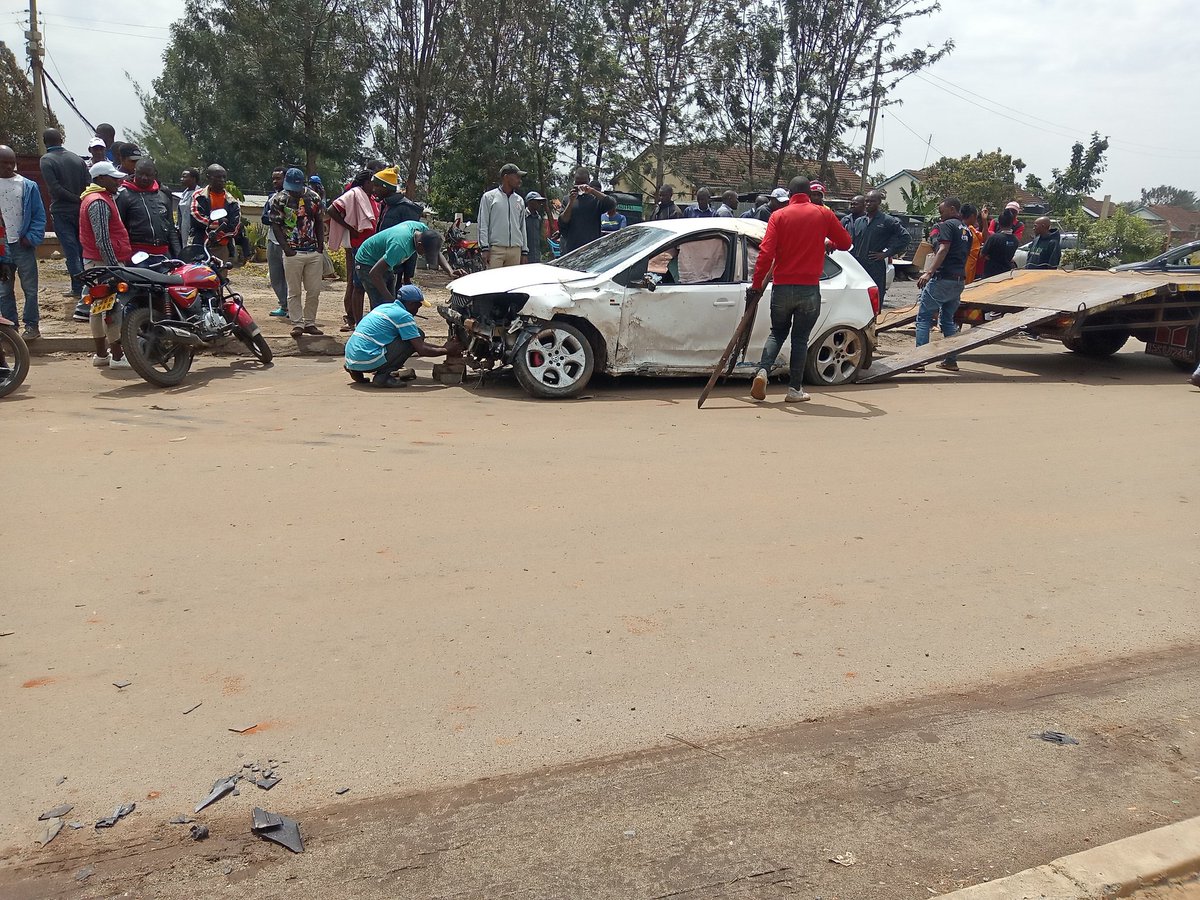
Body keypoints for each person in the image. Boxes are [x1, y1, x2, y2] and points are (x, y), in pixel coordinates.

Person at [747, 177, 852, 403]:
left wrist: (757, 285)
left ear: (790, 193)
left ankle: (763, 371)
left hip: (782, 286)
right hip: (809, 288)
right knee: (800, 340)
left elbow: (765, 254)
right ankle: (794, 390)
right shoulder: (823, 214)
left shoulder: (778, 216)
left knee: (777, 332)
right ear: (808, 193)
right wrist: (828, 243)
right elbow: (845, 243)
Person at [343, 284, 463, 388]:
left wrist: (442, 347)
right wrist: (447, 350)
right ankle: (383, 377)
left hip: (351, 359)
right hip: (367, 359)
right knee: (416, 336)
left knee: (410, 336)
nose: (417, 310)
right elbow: (421, 348)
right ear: (411, 304)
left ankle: (356, 371)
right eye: (418, 306)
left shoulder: (384, 307)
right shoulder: (403, 316)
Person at [79, 161, 133, 368]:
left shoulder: (95, 198)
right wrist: (114, 267)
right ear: (100, 179)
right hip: (103, 263)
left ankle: (101, 355)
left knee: (97, 307)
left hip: (96, 262)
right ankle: (117, 356)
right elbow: (102, 239)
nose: (118, 181)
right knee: (111, 308)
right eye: (113, 178)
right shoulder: (98, 202)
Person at [914, 197, 972, 373]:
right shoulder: (967, 230)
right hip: (958, 280)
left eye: (942, 211)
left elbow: (943, 249)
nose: (940, 215)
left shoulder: (947, 226)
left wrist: (929, 272)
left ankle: (918, 361)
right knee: (947, 320)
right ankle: (951, 360)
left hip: (943, 279)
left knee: (923, 318)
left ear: (952, 209)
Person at [268, 167, 326, 337]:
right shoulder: (279, 199)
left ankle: (310, 323)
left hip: (312, 251)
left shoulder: (314, 198)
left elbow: (319, 221)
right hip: (293, 251)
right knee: (294, 291)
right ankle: (297, 323)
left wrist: (320, 247)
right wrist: (286, 248)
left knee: (314, 290)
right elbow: (276, 225)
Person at [354, 219, 459, 311]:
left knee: (390, 302)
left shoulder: (423, 231)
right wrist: (391, 301)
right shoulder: (400, 247)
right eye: (425, 253)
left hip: (385, 261)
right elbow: (374, 274)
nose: (424, 255)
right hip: (367, 261)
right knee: (382, 304)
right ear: (419, 245)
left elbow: (435, 251)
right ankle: (365, 330)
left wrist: (450, 271)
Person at [327, 168, 385, 330]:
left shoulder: (370, 197)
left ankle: (366, 321)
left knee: (368, 282)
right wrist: (350, 228)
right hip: (359, 244)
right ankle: (356, 322)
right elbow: (332, 209)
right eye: (373, 184)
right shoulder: (354, 193)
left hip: (371, 245)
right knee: (357, 284)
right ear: (366, 182)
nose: (374, 187)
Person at [39, 127, 90, 306]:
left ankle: (79, 289)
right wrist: (81, 199)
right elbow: (88, 183)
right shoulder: (77, 159)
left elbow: (54, 189)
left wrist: (74, 199)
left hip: (62, 211)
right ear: (61, 139)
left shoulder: (46, 160)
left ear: (45, 142)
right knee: (83, 249)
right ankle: (87, 287)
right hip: (82, 210)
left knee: (71, 252)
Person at [0, 145, 46, 339]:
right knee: (3, 291)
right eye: (4, 163)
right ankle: (11, 329)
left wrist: (31, 238)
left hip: (22, 245)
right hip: (2, 247)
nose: (9, 167)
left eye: (12, 162)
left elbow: (39, 216)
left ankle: (32, 326)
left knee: (29, 288)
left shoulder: (28, 186)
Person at [849, 190, 909, 306]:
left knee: (874, 301)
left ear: (879, 202)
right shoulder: (859, 221)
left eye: (872, 201)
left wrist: (887, 253)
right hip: (858, 266)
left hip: (875, 267)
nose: (868, 204)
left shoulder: (887, 221)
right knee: (857, 300)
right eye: (866, 201)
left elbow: (905, 237)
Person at [116, 158, 181, 259]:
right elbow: (119, 229)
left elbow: (171, 230)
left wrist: (179, 255)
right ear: (135, 172)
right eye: (141, 174)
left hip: (163, 254)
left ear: (154, 175)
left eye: (148, 175)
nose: (144, 178)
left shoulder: (163, 196)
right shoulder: (124, 196)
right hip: (137, 256)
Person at [478, 163, 528, 268]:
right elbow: (483, 223)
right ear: (506, 177)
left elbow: (522, 226)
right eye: (517, 177)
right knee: (494, 283)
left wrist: (524, 251)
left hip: (515, 250)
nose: (519, 180)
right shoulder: (489, 197)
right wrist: (485, 248)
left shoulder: (519, 200)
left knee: (513, 284)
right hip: (496, 250)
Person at [558, 167, 616, 253]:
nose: (580, 186)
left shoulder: (595, 199)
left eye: (583, 183)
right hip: (572, 249)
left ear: (589, 181)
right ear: (574, 181)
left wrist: (592, 191)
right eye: (578, 183)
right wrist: (571, 202)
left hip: (592, 250)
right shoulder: (567, 199)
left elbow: (612, 204)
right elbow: (563, 221)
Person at [191, 164, 241, 262]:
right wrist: (219, 223)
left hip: (221, 247)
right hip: (200, 245)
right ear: (208, 177)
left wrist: (218, 236)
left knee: (219, 276)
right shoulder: (198, 196)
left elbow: (234, 227)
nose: (222, 180)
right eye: (218, 177)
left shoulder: (232, 201)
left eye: (224, 177)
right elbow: (196, 217)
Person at [263, 167, 290, 317]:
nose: (275, 181)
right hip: (272, 240)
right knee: (275, 276)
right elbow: (264, 218)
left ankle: (291, 307)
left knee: (289, 277)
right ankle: (283, 305)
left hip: (287, 242)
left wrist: (276, 219)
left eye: (278, 178)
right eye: (273, 178)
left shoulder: (292, 197)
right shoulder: (272, 197)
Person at [978, 208, 1019, 280]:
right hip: (1006, 274)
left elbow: (981, 255)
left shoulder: (994, 238)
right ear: (1012, 223)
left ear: (999, 223)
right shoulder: (1015, 240)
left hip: (991, 274)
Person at [177, 168, 201, 261]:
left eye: (185, 177)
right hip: (183, 228)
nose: (181, 179)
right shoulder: (184, 193)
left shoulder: (200, 193)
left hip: (194, 230)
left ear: (194, 178)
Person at [961, 203, 984, 284]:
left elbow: (984, 237)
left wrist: (984, 220)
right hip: (965, 264)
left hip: (972, 264)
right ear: (972, 216)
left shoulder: (971, 228)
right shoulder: (960, 229)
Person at [525, 191, 547, 262]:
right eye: (537, 201)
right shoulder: (522, 216)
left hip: (536, 256)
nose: (540, 204)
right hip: (524, 256)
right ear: (530, 202)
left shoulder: (538, 218)